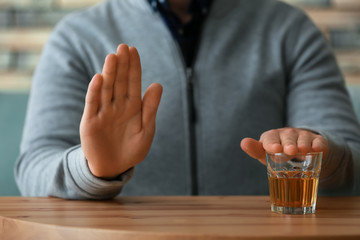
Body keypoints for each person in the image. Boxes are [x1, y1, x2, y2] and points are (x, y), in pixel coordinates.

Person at [15, 0, 360, 199]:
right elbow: (33, 170)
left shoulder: (290, 30)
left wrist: (312, 151)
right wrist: (95, 169)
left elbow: (352, 160)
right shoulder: (76, 37)